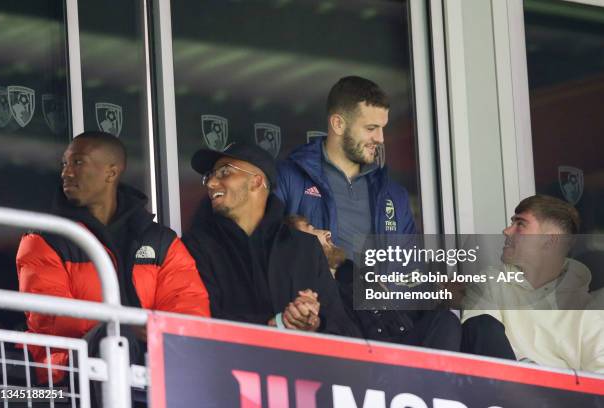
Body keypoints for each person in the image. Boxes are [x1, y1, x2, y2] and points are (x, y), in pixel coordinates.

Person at [16, 131, 210, 383]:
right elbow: (50, 317)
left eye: (78, 162)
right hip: (71, 373)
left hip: (152, 371)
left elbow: (189, 307)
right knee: (120, 343)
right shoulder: (45, 236)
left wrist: (150, 332)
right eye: (64, 164)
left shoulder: (160, 240)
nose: (66, 172)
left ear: (111, 172)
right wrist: (126, 327)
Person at [182, 142, 360, 336]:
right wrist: (278, 323)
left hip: (300, 366)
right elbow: (199, 321)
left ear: (256, 182)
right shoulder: (195, 247)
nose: (210, 183)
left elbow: (343, 329)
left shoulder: (304, 247)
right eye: (209, 176)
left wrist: (313, 322)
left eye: (224, 172)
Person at [275, 75, 416, 261]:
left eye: (382, 128)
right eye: (371, 128)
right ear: (338, 124)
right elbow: (268, 250)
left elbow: (411, 269)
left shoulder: (395, 195)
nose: (381, 138)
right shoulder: (288, 178)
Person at [462, 195, 604, 372]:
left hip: (561, 397)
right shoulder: (492, 283)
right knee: (482, 324)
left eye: (520, 224)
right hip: (498, 394)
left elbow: (598, 380)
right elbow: (480, 341)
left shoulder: (590, 309)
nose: (506, 230)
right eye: (511, 222)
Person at [286, 215, 462, 352]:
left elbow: (401, 315)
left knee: (481, 326)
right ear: (302, 248)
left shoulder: (356, 276)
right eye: (312, 229)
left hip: (406, 340)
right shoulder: (313, 296)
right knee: (445, 321)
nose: (327, 232)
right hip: (381, 364)